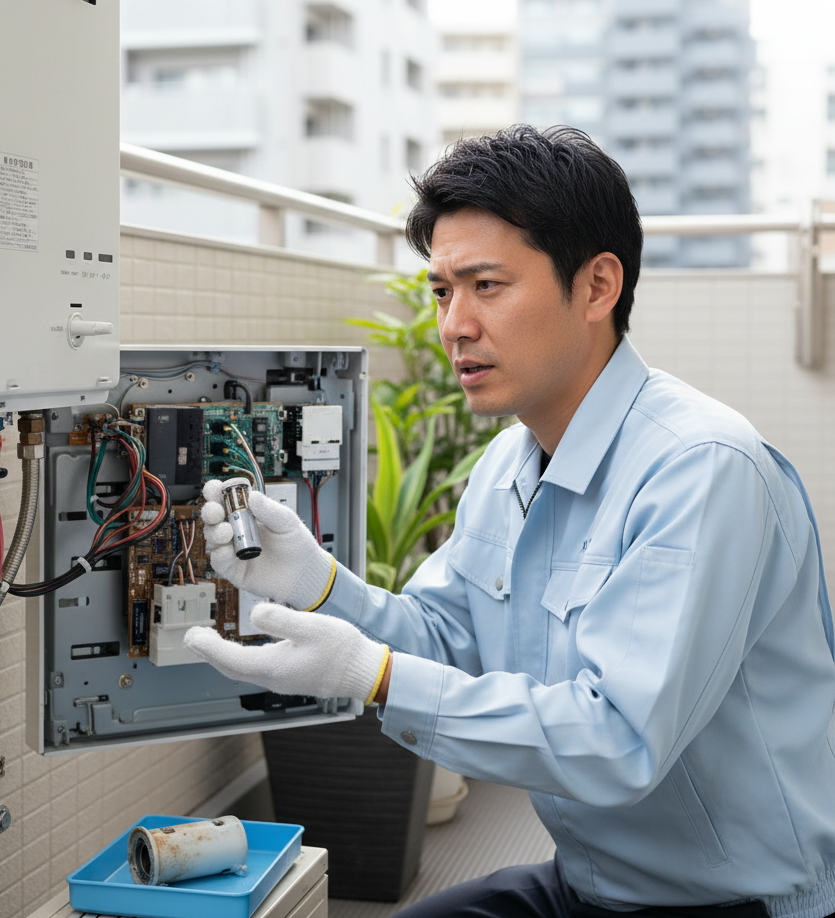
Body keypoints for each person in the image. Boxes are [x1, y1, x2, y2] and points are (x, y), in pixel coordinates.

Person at [185, 125, 835, 918]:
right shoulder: (507, 464)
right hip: (590, 882)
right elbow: (444, 636)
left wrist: (378, 679)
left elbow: (617, 742)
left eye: (486, 286)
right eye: (440, 291)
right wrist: (319, 586)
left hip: (735, 904)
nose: (453, 324)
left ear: (597, 287)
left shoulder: (701, 468)